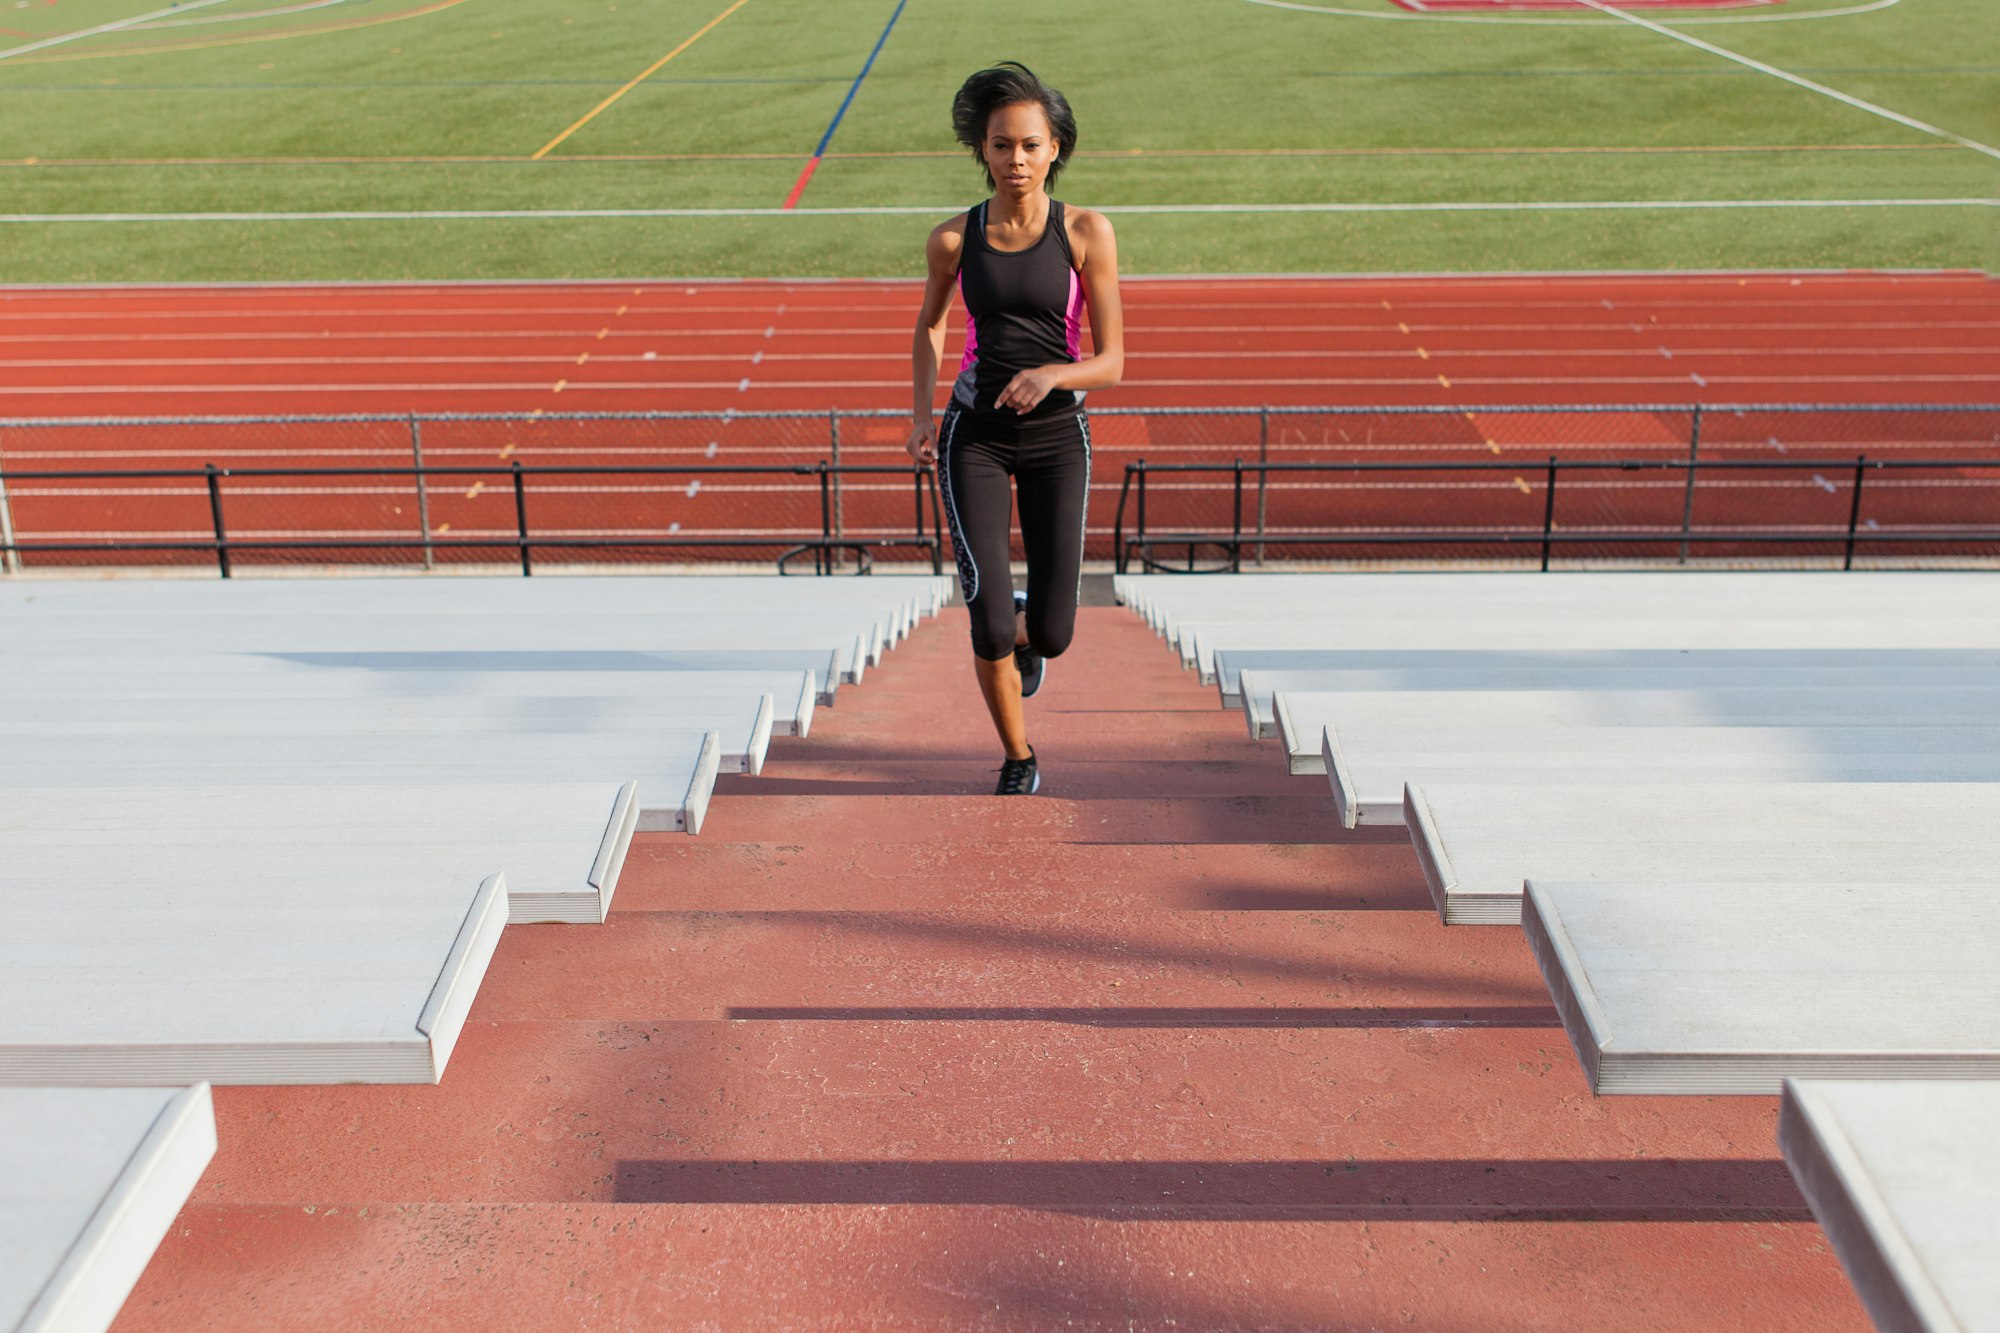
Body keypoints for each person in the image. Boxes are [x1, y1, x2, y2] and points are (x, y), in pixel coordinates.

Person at [906, 61, 1125, 796]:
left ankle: (1029, 630)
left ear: (1055, 147)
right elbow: (930, 326)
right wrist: (918, 414)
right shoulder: (952, 239)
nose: (1016, 160)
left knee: (1052, 633)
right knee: (988, 623)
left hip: (1060, 438)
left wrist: (1053, 375)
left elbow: (1114, 361)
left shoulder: (1086, 232)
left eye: (1031, 145)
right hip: (976, 436)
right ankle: (1018, 754)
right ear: (983, 150)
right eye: (1002, 146)